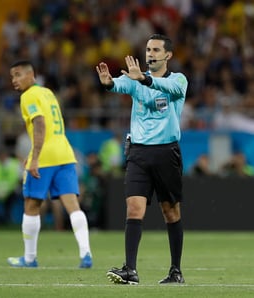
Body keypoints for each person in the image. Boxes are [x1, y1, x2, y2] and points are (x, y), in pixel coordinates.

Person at [96, 33, 188, 284]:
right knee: (134, 209)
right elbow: (119, 85)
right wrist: (108, 83)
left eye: (156, 50)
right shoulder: (134, 80)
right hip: (138, 152)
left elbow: (172, 89)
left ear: (168, 55)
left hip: (166, 152)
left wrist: (144, 79)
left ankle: (175, 271)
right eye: (148, 49)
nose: (150, 54)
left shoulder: (178, 80)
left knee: (170, 212)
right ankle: (130, 270)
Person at [7, 60, 92, 268]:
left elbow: (39, 123)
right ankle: (86, 254)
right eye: (12, 76)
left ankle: (29, 259)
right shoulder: (47, 93)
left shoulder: (28, 96)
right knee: (72, 204)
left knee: (31, 204)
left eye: (18, 75)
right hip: (64, 152)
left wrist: (35, 156)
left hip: (45, 156)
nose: (14, 81)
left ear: (31, 74)